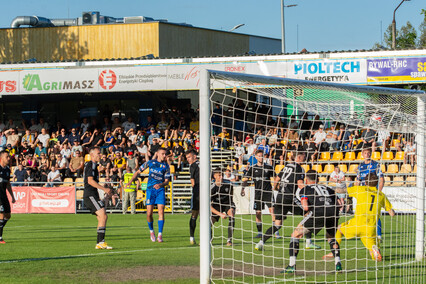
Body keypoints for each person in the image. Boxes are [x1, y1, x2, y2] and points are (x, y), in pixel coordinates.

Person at [256, 152, 320, 251]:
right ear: (299, 157)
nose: (305, 157)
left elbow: (277, 179)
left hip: (280, 197)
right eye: (303, 156)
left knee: (277, 224)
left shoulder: (286, 167)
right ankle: (308, 242)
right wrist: (311, 190)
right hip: (289, 198)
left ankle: (260, 243)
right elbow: (300, 184)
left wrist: (276, 188)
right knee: (309, 213)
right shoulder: (298, 168)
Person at [283, 170, 341, 274]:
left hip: (318, 212)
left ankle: (291, 265)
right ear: (318, 179)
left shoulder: (305, 189)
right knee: (331, 238)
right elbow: (339, 204)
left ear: (306, 180)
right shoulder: (328, 188)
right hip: (333, 212)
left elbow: (305, 207)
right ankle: (338, 264)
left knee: (295, 235)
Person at [334, 173, 395, 261]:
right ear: (377, 183)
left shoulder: (360, 189)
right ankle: (374, 251)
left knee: (339, 229)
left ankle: (334, 252)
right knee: (374, 255)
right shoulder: (381, 195)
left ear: (365, 182)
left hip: (358, 225)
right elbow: (391, 213)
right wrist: (393, 212)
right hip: (371, 228)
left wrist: (331, 189)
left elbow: (341, 190)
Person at [127, 148, 170, 242]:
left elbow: (167, 181)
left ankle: (160, 235)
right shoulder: (150, 163)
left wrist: (161, 184)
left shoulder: (166, 166)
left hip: (160, 190)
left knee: (161, 212)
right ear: (157, 154)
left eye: (165, 154)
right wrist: (130, 181)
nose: (164, 155)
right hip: (150, 190)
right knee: (149, 213)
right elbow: (138, 172)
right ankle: (151, 231)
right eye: (162, 154)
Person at [242, 150, 280, 239]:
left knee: (272, 212)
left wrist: (275, 186)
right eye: (259, 156)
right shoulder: (252, 168)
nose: (260, 157)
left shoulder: (269, 167)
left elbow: (275, 178)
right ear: (255, 157)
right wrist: (243, 189)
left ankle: (276, 232)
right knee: (258, 213)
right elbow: (246, 179)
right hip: (258, 193)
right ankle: (259, 232)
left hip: (268, 192)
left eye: (262, 156)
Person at [83, 147, 113, 250]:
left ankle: (100, 243)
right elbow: (90, 181)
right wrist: (104, 189)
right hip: (90, 195)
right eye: (98, 153)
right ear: (92, 155)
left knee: (102, 217)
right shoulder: (90, 165)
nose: (100, 155)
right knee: (103, 215)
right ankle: (100, 242)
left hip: (93, 195)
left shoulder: (94, 166)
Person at [356, 148, 385, 241]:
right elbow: (357, 180)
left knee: (375, 214)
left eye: (368, 153)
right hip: (364, 194)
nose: (367, 155)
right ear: (362, 154)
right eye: (365, 153)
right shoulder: (360, 166)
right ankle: (367, 233)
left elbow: (381, 180)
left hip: (373, 193)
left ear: (371, 154)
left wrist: (379, 192)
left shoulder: (376, 165)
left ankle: (379, 234)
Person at [211, 168, 235, 246]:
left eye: (222, 175)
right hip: (216, 205)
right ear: (215, 176)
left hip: (227, 203)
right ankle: (207, 238)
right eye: (219, 175)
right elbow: (208, 206)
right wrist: (220, 214)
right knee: (209, 222)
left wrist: (231, 207)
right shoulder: (211, 187)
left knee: (232, 215)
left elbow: (231, 195)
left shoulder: (228, 184)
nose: (221, 177)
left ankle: (229, 240)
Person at [0, 150, 15, 243]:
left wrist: (12, 196)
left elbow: (8, 184)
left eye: (9, 157)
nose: (9, 158)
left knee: (8, 215)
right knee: (1, 214)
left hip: (4, 195)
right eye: (7, 157)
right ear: (1, 158)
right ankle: (0, 238)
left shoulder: (7, 170)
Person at [185, 149, 200, 245]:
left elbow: (192, 181)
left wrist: (195, 191)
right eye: (186, 158)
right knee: (204, 215)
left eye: (189, 157)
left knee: (194, 214)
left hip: (198, 192)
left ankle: (192, 237)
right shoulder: (204, 163)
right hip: (204, 191)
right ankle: (206, 238)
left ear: (195, 156)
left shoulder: (193, 166)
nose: (188, 159)